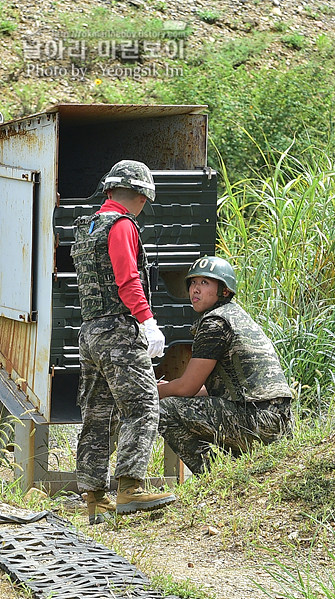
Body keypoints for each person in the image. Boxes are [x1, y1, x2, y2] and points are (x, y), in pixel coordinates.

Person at [72, 160, 177, 525]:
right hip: (118, 331)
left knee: (97, 414)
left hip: (89, 333)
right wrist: (148, 323)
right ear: (138, 193)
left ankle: (95, 499)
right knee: (143, 405)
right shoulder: (121, 226)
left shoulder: (88, 227)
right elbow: (128, 279)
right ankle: (131, 487)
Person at [157, 256, 293, 475]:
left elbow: (186, 388)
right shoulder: (236, 316)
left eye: (205, 283)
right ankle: (232, 474)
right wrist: (168, 388)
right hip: (276, 419)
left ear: (225, 291)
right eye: (193, 282)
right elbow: (212, 388)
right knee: (182, 403)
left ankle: (214, 477)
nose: (195, 290)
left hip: (256, 419)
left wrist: (154, 390)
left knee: (163, 410)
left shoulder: (215, 324)